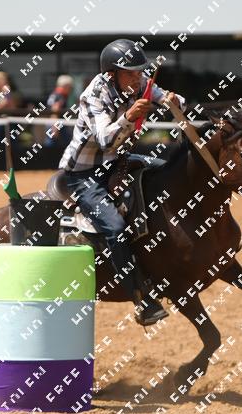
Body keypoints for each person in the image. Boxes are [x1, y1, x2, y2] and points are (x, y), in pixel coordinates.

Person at [59, 38, 185, 326]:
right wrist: (129, 116)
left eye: (140, 72)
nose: (138, 78)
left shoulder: (140, 83)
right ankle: (140, 298)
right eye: (130, 73)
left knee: (168, 174)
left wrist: (174, 100)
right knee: (115, 228)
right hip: (83, 173)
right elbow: (105, 139)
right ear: (111, 73)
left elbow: (172, 99)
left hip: (118, 161)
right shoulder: (93, 95)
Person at [44, 74, 74, 147]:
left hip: (51, 123)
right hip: (57, 124)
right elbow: (55, 110)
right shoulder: (60, 95)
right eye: (70, 87)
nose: (71, 89)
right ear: (65, 86)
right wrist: (55, 127)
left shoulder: (54, 94)